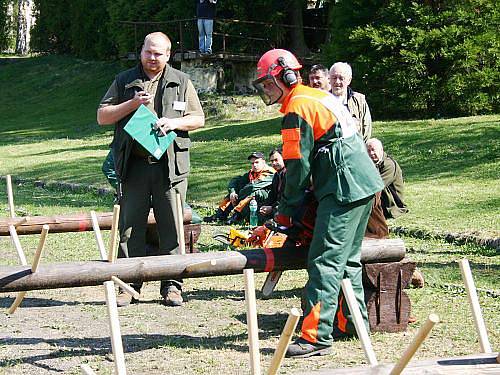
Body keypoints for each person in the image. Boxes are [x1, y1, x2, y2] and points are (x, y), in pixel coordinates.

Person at [253, 49, 384, 358]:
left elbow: (296, 167)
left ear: (284, 77)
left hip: (343, 186)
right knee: (347, 260)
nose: (265, 90)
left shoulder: (297, 108)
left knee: (324, 259)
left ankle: (315, 336)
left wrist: (284, 214)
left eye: (267, 83)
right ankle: (351, 323)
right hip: (361, 182)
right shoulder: (315, 96)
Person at [97, 32, 205, 307]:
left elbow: (198, 118)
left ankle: (172, 285)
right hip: (133, 167)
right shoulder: (124, 81)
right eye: (148, 52)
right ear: (141, 51)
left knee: (171, 226)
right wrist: (132, 104)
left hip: (169, 167)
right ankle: (128, 285)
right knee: (129, 227)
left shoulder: (181, 81)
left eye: (159, 54)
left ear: (168, 55)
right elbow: (102, 116)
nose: (152, 58)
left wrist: (173, 123)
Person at [204, 152, 275, 225]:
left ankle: (236, 216)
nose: (254, 165)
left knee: (253, 193)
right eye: (252, 163)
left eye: (257, 162)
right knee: (234, 193)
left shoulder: (269, 172)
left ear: (263, 162)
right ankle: (220, 215)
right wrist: (232, 192)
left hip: (268, 198)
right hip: (252, 194)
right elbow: (237, 180)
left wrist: (238, 197)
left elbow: (253, 187)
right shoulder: (252, 172)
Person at [366, 138, 409, 219]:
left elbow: (376, 186)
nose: (371, 153)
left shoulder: (389, 165)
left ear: (381, 150)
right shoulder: (370, 163)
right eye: (368, 150)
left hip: (391, 205)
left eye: (373, 150)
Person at [329, 62, 372, 142]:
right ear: (329, 79)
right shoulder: (323, 101)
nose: (337, 82)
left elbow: (366, 129)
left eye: (341, 78)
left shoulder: (359, 100)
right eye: (334, 78)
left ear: (349, 80)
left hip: (354, 149)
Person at [259, 148, 286, 221]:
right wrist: (266, 206)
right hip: (277, 205)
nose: (274, 163)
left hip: (287, 205)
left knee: (277, 213)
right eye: (272, 161)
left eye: (276, 160)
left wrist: (272, 208)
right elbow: (272, 194)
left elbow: (285, 197)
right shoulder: (276, 175)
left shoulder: (289, 174)